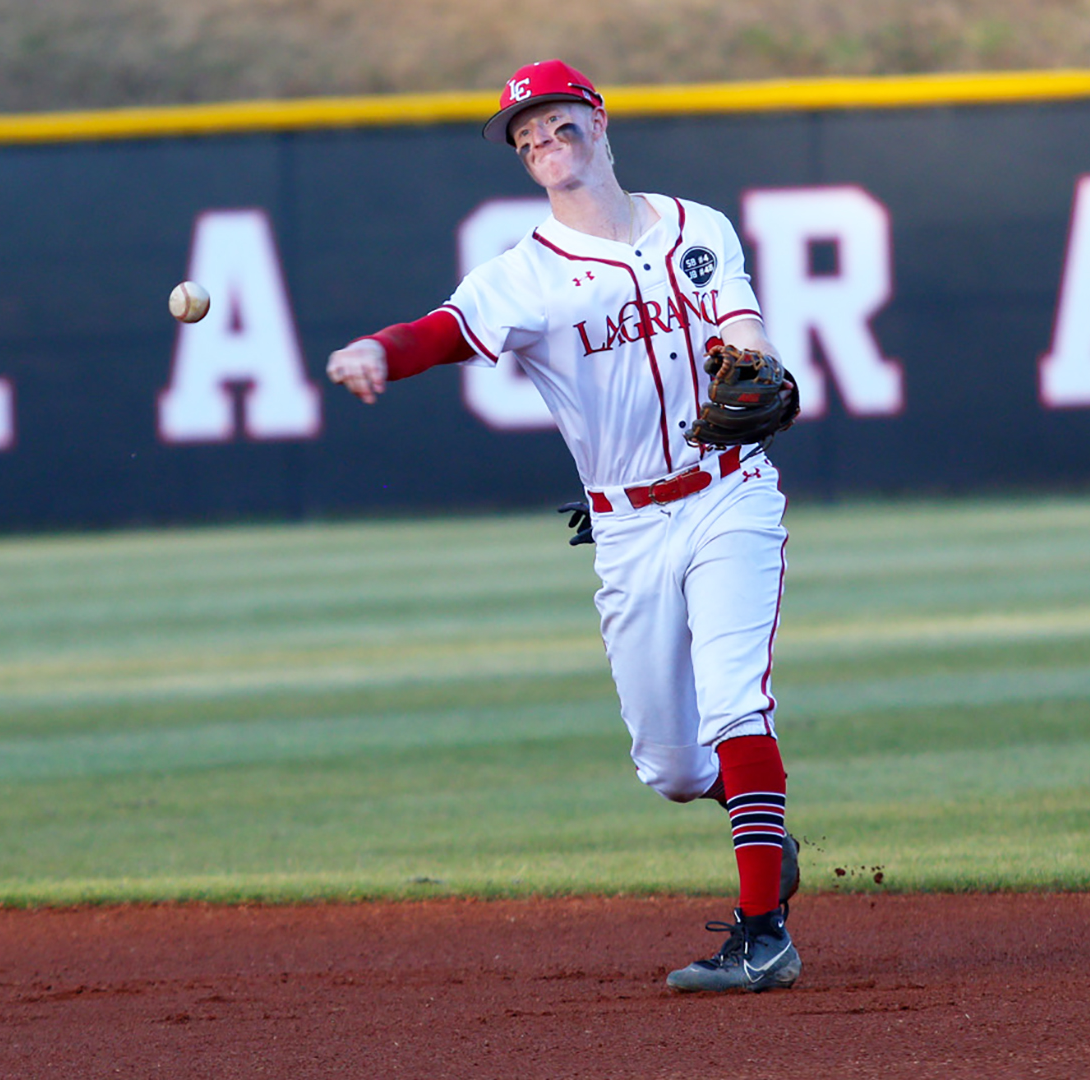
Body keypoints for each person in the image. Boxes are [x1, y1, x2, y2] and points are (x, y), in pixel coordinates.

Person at [325, 59, 801, 993]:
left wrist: (754, 364)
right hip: (626, 527)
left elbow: (744, 331)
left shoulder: (695, 225)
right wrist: (376, 350)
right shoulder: (524, 275)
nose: (544, 144)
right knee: (669, 765)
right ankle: (759, 815)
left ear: (598, 120)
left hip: (729, 491)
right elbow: (442, 332)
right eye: (526, 137)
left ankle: (764, 932)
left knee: (735, 698)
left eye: (557, 124)